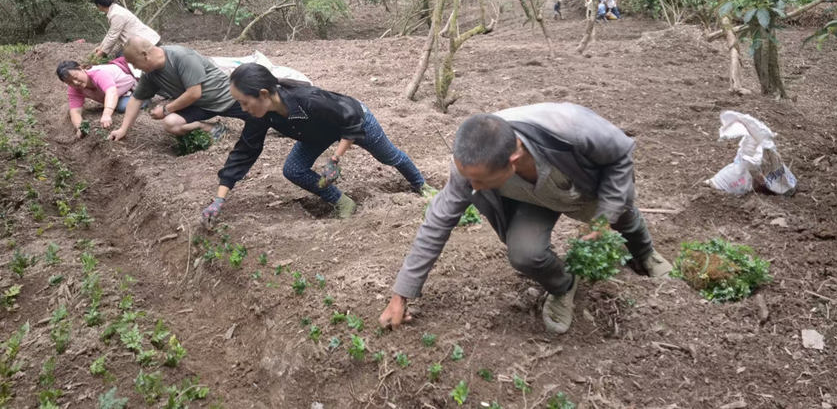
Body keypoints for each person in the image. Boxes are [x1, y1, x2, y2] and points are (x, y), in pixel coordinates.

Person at [379, 103, 673, 335]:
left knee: (620, 212)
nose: (473, 189)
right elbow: (437, 222)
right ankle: (564, 286)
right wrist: (401, 294)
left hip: (577, 182)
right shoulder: (470, 167)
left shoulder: (570, 127)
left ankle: (645, 253)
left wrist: (603, 218)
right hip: (530, 198)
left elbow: (620, 156)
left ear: (513, 161)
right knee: (525, 254)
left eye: (481, 182)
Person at [201, 63, 430, 225]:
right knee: (293, 170)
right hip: (317, 133)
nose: (242, 109)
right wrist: (219, 200)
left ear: (263, 94)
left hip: (355, 120)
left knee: (389, 156)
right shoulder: (261, 115)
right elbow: (244, 152)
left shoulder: (307, 99)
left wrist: (334, 159)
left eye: (244, 102)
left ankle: (422, 186)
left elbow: (349, 120)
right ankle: (343, 203)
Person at [108, 37, 248, 142]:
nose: (135, 68)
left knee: (265, 118)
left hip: (226, 98)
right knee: (171, 123)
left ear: (145, 55)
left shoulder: (181, 56)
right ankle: (210, 128)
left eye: (134, 63)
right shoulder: (150, 74)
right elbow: (136, 99)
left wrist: (165, 109)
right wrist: (123, 129)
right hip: (199, 107)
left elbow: (194, 93)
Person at [56, 57, 137, 137]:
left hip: (132, 81)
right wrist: (80, 128)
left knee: (122, 106)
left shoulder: (98, 73)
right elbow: (75, 111)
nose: (75, 82)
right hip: (120, 92)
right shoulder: (74, 89)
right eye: (69, 82)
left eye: (75, 77)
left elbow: (111, 92)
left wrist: (106, 114)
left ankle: (144, 100)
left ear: (80, 68)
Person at [91, 0, 161, 59]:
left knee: (121, 59)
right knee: (119, 56)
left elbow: (113, 37)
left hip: (147, 43)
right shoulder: (115, 10)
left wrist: (101, 54)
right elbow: (111, 33)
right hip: (144, 42)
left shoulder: (116, 14)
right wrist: (101, 47)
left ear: (99, 5)